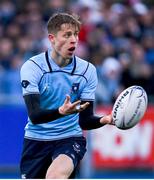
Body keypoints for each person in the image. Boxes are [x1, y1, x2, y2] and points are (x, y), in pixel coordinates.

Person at [20, 12, 113, 179]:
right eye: (67, 35)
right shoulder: (33, 67)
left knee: (55, 176)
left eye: (76, 34)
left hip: (69, 139)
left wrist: (104, 120)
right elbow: (34, 116)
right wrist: (60, 112)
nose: (74, 40)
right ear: (52, 38)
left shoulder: (87, 71)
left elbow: (84, 120)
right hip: (36, 141)